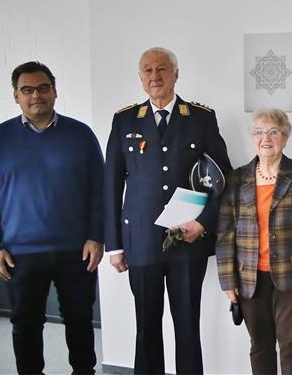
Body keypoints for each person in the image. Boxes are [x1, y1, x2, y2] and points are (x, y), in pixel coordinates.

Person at [103, 47, 232, 374]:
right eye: (148, 70)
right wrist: (114, 245)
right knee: (146, 325)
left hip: (187, 239)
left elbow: (223, 180)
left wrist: (203, 223)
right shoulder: (125, 120)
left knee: (187, 324)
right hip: (142, 239)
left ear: (176, 74)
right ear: (140, 77)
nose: (155, 76)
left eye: (162, 69)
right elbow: (111, 185)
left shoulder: (201, 118)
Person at [0, 61, 103, 374]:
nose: (36, 95)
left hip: (76, 251)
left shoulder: (80, 135)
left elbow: (100, 192)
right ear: (16, 96)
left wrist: (97, 236)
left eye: (43, 88)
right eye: (27, 89)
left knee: (80, 322)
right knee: (26, 325)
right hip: (19, 254)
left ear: (54, 91)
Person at [216, 108, 292, 374]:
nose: (266, 138)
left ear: (285, 137)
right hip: (249, 279)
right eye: (259, 132)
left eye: (274, 132)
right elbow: (225, 234)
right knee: (260, 346)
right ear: (252, 137)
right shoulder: (236, 179)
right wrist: (227, 280)